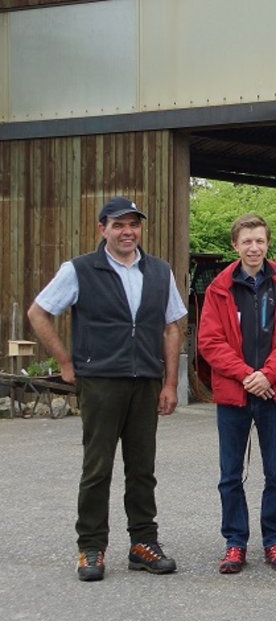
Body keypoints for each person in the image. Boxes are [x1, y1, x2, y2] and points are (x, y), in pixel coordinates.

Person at [28, 196, 186, 582]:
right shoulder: (80, 269)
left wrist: (169, 384)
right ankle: (91, 548)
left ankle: (143, 543)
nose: (127, 231)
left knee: (142, 469)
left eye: (133, 224)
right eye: (118, 225)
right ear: (103, 229)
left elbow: (171, 326)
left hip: (145, 383)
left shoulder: (159, 271)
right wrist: (66, 362)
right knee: (97, 468)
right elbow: (38, 312)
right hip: (100, 382)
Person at [198, 213, 276, 574]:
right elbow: (209, 342)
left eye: (259, 240)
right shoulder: (219, 287)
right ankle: (235, 543)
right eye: (247, 241)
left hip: (274, 392)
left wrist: (267, 375)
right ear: (235, 246)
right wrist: (248, 375)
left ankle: (274, 541)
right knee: (230, 474)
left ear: (267, 242)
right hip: (235, 393)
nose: (254, 247)